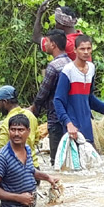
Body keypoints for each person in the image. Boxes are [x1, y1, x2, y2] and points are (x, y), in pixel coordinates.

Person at [0, 113, 60, 207]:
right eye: (13, 129)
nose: (16, 133)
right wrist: (19, 198)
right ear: (8, 131)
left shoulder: (27, 149)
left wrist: (47, 177)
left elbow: (29, 170)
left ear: (28, 131)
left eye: (20, 130)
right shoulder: (1, 158)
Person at [54, 35, 104, 147]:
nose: (86, 52)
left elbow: (89, 97)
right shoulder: (68, 70)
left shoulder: (91, 68)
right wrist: (68, 123)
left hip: (87, 125)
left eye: (89, 48)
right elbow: (58, 101)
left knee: (90, 161)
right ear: (75, 50)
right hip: (72, 127)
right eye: (82, 49)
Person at [30, 29, 72, 165]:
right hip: (71, 117)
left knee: (57, 161)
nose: (45, 45)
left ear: (53, 44)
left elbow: (43, 93)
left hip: (55, 117)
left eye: (46, 41)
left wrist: (34, 109)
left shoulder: (53, 67)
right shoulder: (71, 63)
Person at [0, 85, 39, 156]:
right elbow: (36, 139)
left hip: (17, 165)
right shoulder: (31, 115)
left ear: (4, 102)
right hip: (32, 164)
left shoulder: (8, 122)